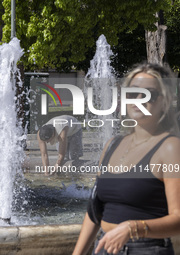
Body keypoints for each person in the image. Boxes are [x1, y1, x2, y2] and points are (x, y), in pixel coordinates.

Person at [73, 63, 180, 255]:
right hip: (105, 247)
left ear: (164, 101)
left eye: (149, 94)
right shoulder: (112, 144)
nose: (139, 99)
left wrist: (133, 228)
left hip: (146, 249)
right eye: (132, 93)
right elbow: (95, 211)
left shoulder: (170, 147)